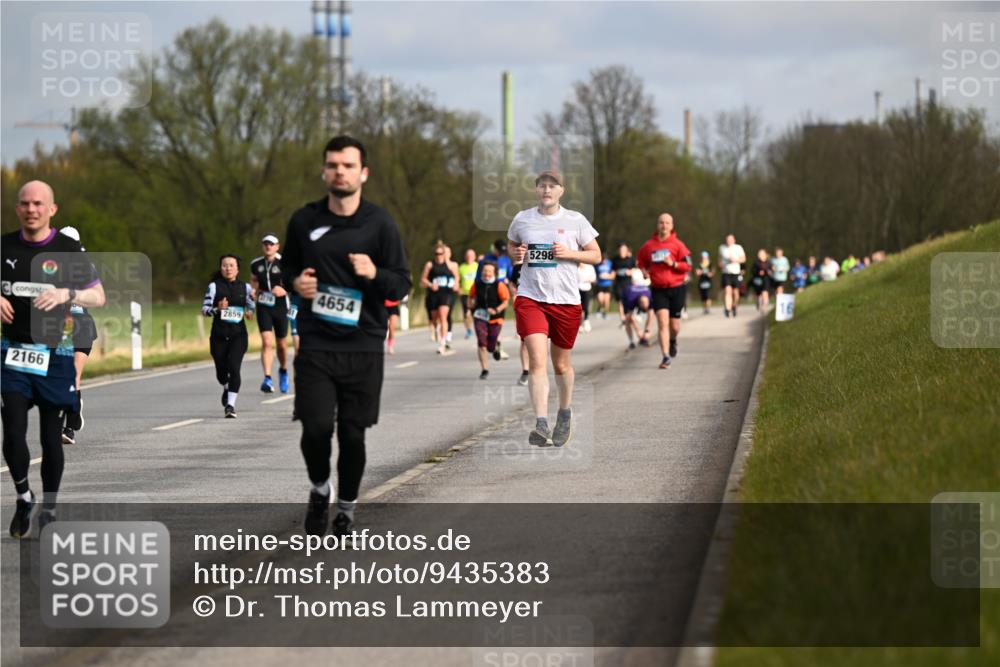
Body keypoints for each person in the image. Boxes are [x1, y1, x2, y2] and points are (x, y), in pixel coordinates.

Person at [283, 135, 411, 538]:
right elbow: (285, 270)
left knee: (353, 434)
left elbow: (401, 286)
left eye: (348, 165)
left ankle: (346, 510)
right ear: (324, 170)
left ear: (364, 173)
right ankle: (320, 488)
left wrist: (374, 274)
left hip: (364, 343)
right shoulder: (304, 221)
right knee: (316, 428)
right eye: (334, 164)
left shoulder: (380, 224)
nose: (340, 171)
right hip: (317, 341)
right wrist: (296, 283)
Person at [2, 181, 105, 538]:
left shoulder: (68, 248)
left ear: (52, 209)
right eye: (25, 203)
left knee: (50, 438)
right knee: (13, 431)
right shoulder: (4, 246)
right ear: (18, 209)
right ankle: (22, 495)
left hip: (56, 356)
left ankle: (49, 505)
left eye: (38, 204)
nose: (31, 209)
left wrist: (68, 291)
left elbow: (98, 296)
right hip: (13, 353)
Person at [508, 169, 600, 447]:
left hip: (566, 301)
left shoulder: (576, 220)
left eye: (552, 186)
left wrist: (570, 253)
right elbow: (511, 246)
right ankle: (541, 423)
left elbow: (596, 255)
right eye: (542, 186)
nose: (547, 190)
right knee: (537, 360)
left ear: (562, 190)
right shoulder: (522, 219)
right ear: (537, 190)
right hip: (531, 297)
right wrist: (516, 254)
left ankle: (564, 412)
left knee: (561, 364)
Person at [57, 226, 98, 446]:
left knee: (72, 375)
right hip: (58, 328)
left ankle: (69, 428)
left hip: (81, 326)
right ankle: (74, 408)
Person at [637, 213, 692, 369]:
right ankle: (665, 356)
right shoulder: (649, 246)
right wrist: (644, 271)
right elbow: (640, 261)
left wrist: (673, 264)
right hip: (658, 289)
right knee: (662, 322)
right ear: (657, 225)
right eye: (661, 222)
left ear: (672, 226)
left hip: (677, 288)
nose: (664, 225)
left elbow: (688, 266)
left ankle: (673, 340)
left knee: (674, 326)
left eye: (667, 223)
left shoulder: (678, 245)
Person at [202, 254, 254, 418]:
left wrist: (250, 311)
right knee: (221, 373)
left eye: (231, 265)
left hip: (238, 335)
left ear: (237, 269)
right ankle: (225, 386)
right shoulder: (214, 287)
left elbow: (251, 305)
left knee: (234, 367)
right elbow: (204, 310)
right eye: (225, 265)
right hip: (218, 335)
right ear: (221, 268)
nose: (228, 268)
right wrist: (218, 308)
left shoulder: (245, 288)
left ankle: (230, 406)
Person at [251, 234, 291, 394]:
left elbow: (293, 282)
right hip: (264, 304)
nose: (268, 247)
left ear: (277, 247)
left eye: (271, 244)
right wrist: (252, 293)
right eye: (265, 244)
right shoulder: (256, 264)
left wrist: (285, 290)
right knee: (267, 342)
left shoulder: (285, 262)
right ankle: (267, 378)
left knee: (281, 344)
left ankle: (283, 370)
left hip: (281, 305)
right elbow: (253, 281)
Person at [469, 261, 510, 379]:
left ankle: (496, 345)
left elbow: (506, 301)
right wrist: (470, 306)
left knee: (490, 347)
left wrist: (496, 310)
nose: (487, 273)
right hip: (480, 316)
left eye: (489, 271)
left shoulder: (499, 285)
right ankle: (484, 370)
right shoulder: (476, 284)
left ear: (494, 273)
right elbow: (471, 297)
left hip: (496, 318)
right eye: (485, 271)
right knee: (482, 343)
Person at [421, 243, 459, 355]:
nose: (439, 256)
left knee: (443, 317)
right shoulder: (430, 265)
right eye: (436, 253)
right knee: (434, 318)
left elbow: (456, 277)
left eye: (441, 253)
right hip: (433, 294)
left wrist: (456, 284)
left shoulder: (452, 265)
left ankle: (442, 344)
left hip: (446, 293)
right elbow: (423, 279)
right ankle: (438, 331)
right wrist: (430, 284)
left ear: (445, 253)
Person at [621, 269, 652, 350]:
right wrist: (638, 331)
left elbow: (651, 315)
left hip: (640, 290)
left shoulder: (649, 294)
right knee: (627, 319)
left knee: (651, 313)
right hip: (629, 299)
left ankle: (644, 338)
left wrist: (647, 331)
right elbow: (630, 316)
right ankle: (631, 341)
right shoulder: (630, 295)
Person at [718, 233, 746, 318]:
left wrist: (736, 260)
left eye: (730, 239)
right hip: (726, 273)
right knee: (727, 291)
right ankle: (727, 308)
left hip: (735, 273)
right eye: (727, 239)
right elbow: (719, 259)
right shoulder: (722, 248)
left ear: (734, 240)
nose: (729, 241)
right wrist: (720, 264)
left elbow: (743, 259)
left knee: (735, 292)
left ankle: (734, 306)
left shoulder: (738, 247)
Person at [610, 242, 636, 322]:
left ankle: (631, 315)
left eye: (624, 249)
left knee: (629, 299)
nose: (622, 251)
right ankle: (622, 317)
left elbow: (635, 269)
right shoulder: (615, 260)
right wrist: (611, 277)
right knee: (620, 300)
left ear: (626, 250)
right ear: (618, 250)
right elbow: (613, 271)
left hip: (628, 282)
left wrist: (630, 272)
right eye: (620, 249)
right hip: (618, 283)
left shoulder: (631, 259)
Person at [458, 248, 479, 339]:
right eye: (467, 255)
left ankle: (478, 329)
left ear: (474, 257)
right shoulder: (461, 267)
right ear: (465, 257)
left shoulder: (478, 266)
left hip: (476, 293)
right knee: (466, 313)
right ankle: (468, 330)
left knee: (475, 313)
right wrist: (458, 288)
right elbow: (457, 280)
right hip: (465, 293)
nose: (469, 257)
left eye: (471, 255)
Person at [577, 261, 597, 333]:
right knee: (579, 307)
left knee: (586, 306)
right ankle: (579, 324)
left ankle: (586, 320)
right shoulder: (576, 267)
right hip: (578, 289)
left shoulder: (590, 267)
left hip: (587, 288)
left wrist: (589, 280)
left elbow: (594, 279)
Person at [594, 254, 614, 319]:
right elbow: (595, 273)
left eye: (605, 260)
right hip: (600, 284)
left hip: (608, 284)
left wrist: (608, 276)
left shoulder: (610, 263)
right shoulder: (597, 264)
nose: (603, 261)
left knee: (606, 301)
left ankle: (605, 313)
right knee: (600, 299)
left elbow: (613, 274)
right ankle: (600, 308)